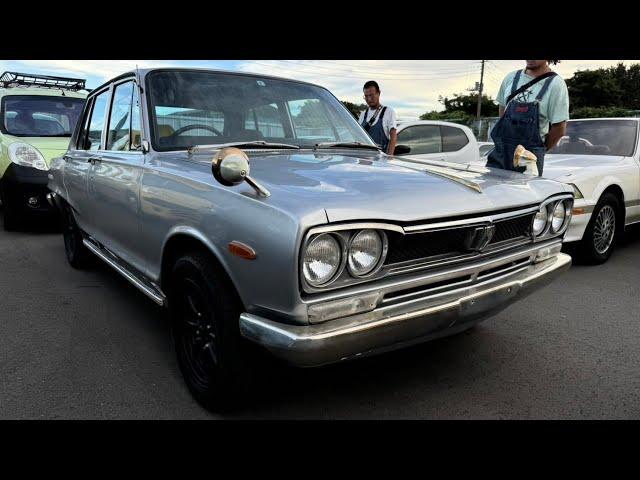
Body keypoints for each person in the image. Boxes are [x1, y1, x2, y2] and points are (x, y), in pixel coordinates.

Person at [487, 60, 569, 176]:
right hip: (501, 155)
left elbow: (559, 129)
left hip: (528, 162)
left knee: (524, 193)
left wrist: (539, 151)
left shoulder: (555, 84)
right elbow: (502, 113)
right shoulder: (510, 78)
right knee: (491, 192)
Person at [358, 80, 398, 154]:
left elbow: (393, 136)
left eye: (372, 95)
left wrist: (389, 157)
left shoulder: (388, 112)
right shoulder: (363, 114)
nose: (369, 99)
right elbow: (358, 137)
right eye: (366, 96)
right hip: (364, 160)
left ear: (378, 93)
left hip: (380, 161)